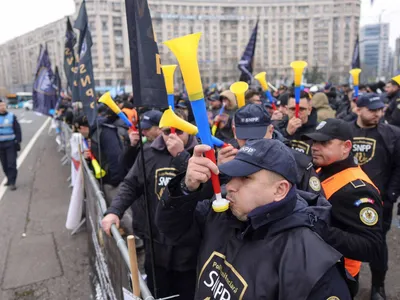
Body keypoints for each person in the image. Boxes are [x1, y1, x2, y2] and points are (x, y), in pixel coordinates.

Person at [156, 139, 351, 300]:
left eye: (246, 178)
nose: (230, 186)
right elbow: (172, 229)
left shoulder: (311, 264)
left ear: (279, 190)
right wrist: (185, 188)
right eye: (232, 176)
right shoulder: (223, 214)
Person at [101, 111, 198, 299]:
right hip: (156, 245)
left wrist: (181, 156)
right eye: (166, 131)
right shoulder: (148, 153)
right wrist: (115, 211)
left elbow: (206, 191)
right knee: (155, 292)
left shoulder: (201, 153)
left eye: (179, 131)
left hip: (189, 248)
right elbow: (130, 184)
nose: (172, 137)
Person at [302, 118, 383, 297]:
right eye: (314, 141)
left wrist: (316, 228)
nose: (314, 146)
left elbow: (372, 247)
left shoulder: (359, 190)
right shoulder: (323, 168)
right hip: (315, 268)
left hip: (337, 277)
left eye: (324, 143)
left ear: (346, 147)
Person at [350, 93, 400, 300]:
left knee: (378, 244)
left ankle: (377, 287)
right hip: (349, 200)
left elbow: (398, 167)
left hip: (380, 203)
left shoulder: (393, 134)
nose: (378, 113)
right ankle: (348, 282)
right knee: (349, 243)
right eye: (372, 110)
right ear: (357, 109)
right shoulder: (346, 131)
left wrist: (391, 195)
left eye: (380, 109)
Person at [219, 103, 322, 195]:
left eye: (257, 136)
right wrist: (220, 173)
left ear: (271, 130)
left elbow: (317, 205)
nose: (252, 143)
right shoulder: (227, 157)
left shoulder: (296, 161)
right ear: (235, 132)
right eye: (245, 137)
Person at [277, 91, 318, 156]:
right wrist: (286, 133)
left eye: (301, 109)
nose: (297, 113)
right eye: (293, 109)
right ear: (287, 110)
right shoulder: (278, 128)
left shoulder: (318, 132)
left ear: (309, 110)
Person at [0, 100, 21, 191]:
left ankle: (12, 182)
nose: (3, 107)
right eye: (1, 105)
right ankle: (9, 178)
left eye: (4, 105)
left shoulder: (11, 116)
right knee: (4, 164)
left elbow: (17, 129)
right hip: (0, 145)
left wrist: (18, 141)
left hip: (10, 144)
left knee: (11, 163)